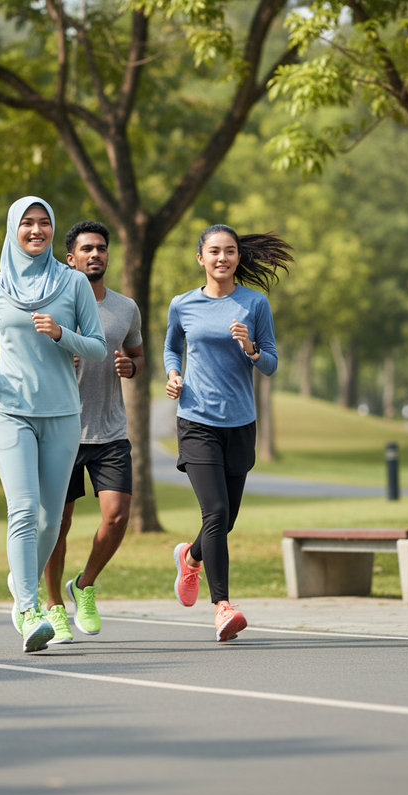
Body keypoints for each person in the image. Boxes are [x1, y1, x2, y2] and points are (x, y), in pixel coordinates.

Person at [0, 197, 107, 653]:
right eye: (27, 223)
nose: (36, 230)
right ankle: (29, 611)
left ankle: (20, 578)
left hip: (63, 414)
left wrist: (60, 334)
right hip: (9, 410)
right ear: (13, 229)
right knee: (24, 510)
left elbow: (97, 348)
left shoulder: (72, 284)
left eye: (44, 222)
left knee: (52, 521)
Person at [163, 226, 292, 642]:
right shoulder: (183, 304)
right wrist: (173, 374)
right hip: (197, 419)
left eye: (230, 251)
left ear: (238, 257)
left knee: (227, 518)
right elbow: (170, 347)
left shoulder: (255, 303)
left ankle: (191, 556)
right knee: (215, 512)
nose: (222, 258)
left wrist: (251, 347)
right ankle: (222, 607)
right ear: (200, 257)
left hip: (240, 422)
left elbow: (270, 364)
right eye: (214, 251)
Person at [42, 221, 144, 642]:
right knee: (57, 524)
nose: (96, 254)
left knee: (117, 516)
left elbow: (137, 354)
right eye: (87, 249)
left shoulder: (125, 308)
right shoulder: (55, 306)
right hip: (62, 428)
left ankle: (83, 585)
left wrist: (131, 367)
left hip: (110, 430)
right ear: (71, 258)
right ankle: (53, 606)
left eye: (102, 248)